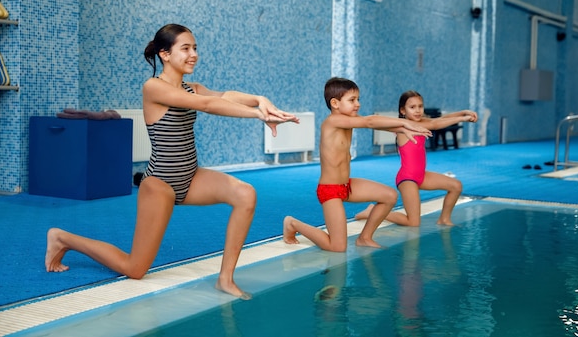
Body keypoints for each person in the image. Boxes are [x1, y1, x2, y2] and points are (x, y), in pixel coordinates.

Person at [45, 23, 299, 300]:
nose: (194, 54)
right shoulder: (154, 87)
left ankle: (225, 279)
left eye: (195, 48)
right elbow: (207, 105)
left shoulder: (192, 87)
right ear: (165, 54)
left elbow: (223, 96)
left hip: (191, 177)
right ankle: (63, 238)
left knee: (245, 194)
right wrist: (259, 115)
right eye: (186, 48)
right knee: (135, 268)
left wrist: (259, 99)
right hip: (161, 184)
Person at [282, 78, 431, 252]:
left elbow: (374, 123)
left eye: (358, 99)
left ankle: (365, 237)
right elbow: (369, 122)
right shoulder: (333, 121)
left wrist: (401, 129)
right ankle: (293, 223)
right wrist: (404, 122)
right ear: (335, 103)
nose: (357, 104)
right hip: (330, 190)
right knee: (337, 247)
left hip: (347, 186)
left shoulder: (348, 119)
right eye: (352, 100)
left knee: (389, 196)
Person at [355, 90, 478, 226]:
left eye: (420, 106)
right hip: (407, 179)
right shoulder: (402, 126)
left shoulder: (421, 122)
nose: (418, 110)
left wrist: (462, 113)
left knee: (456, 186)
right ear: (403, 110)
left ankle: (444, 219)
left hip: (421, 176)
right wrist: (462, 119)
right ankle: (371, 211)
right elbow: (435, 125)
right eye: (412, 107)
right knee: (413, 222)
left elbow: (438, 120)